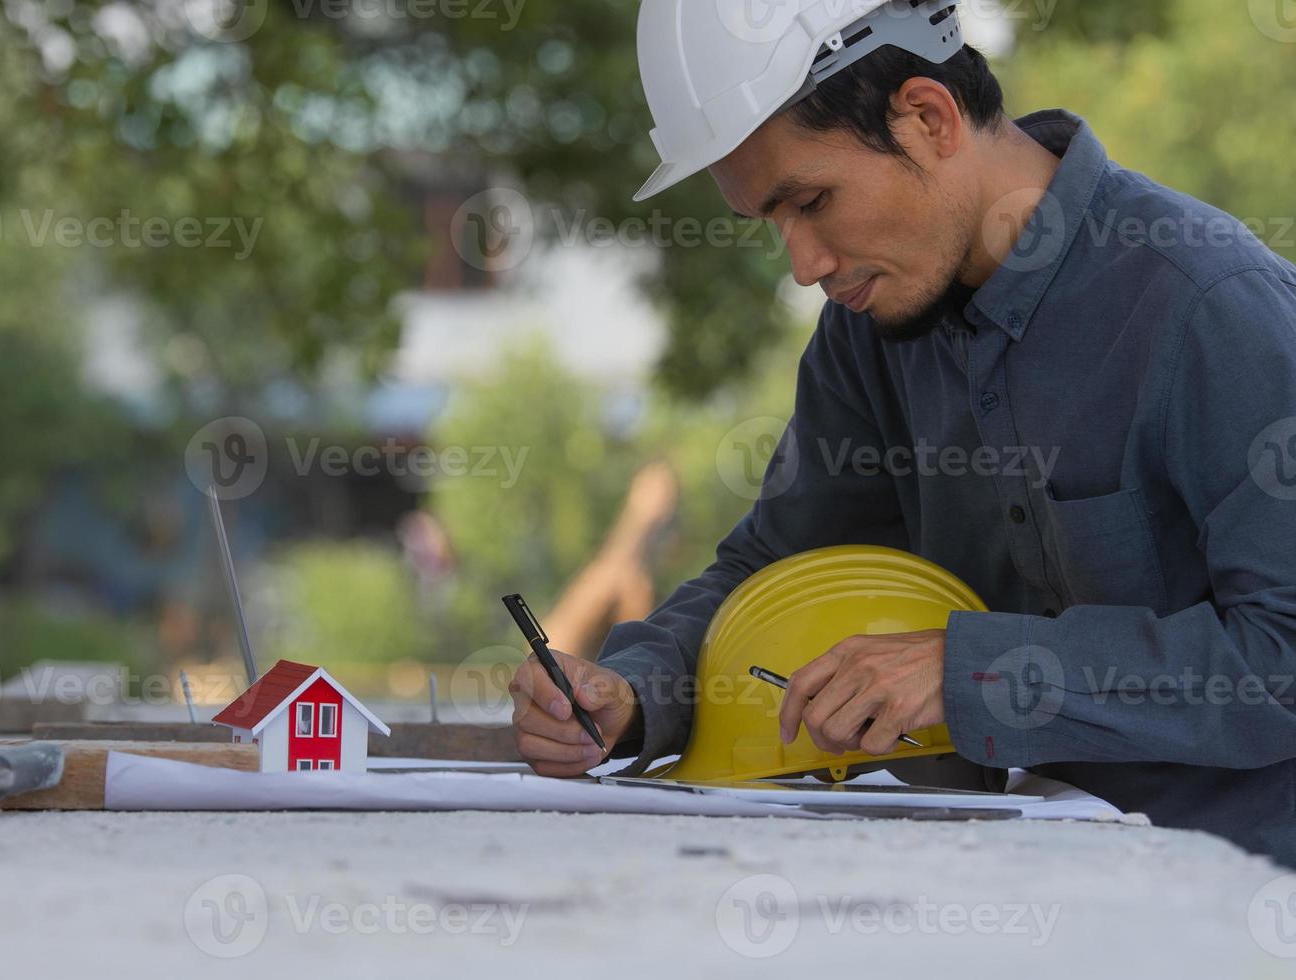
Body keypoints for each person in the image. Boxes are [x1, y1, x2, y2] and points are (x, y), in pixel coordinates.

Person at [508, 0, 1296, 866]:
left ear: (928, 117)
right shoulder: (870, 330)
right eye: (772, 224)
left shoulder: (1208, 308)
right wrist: (633, 689)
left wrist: (973, 672)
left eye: (810, 202)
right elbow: (775, 568)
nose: (804, 264)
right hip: (1002, 899)